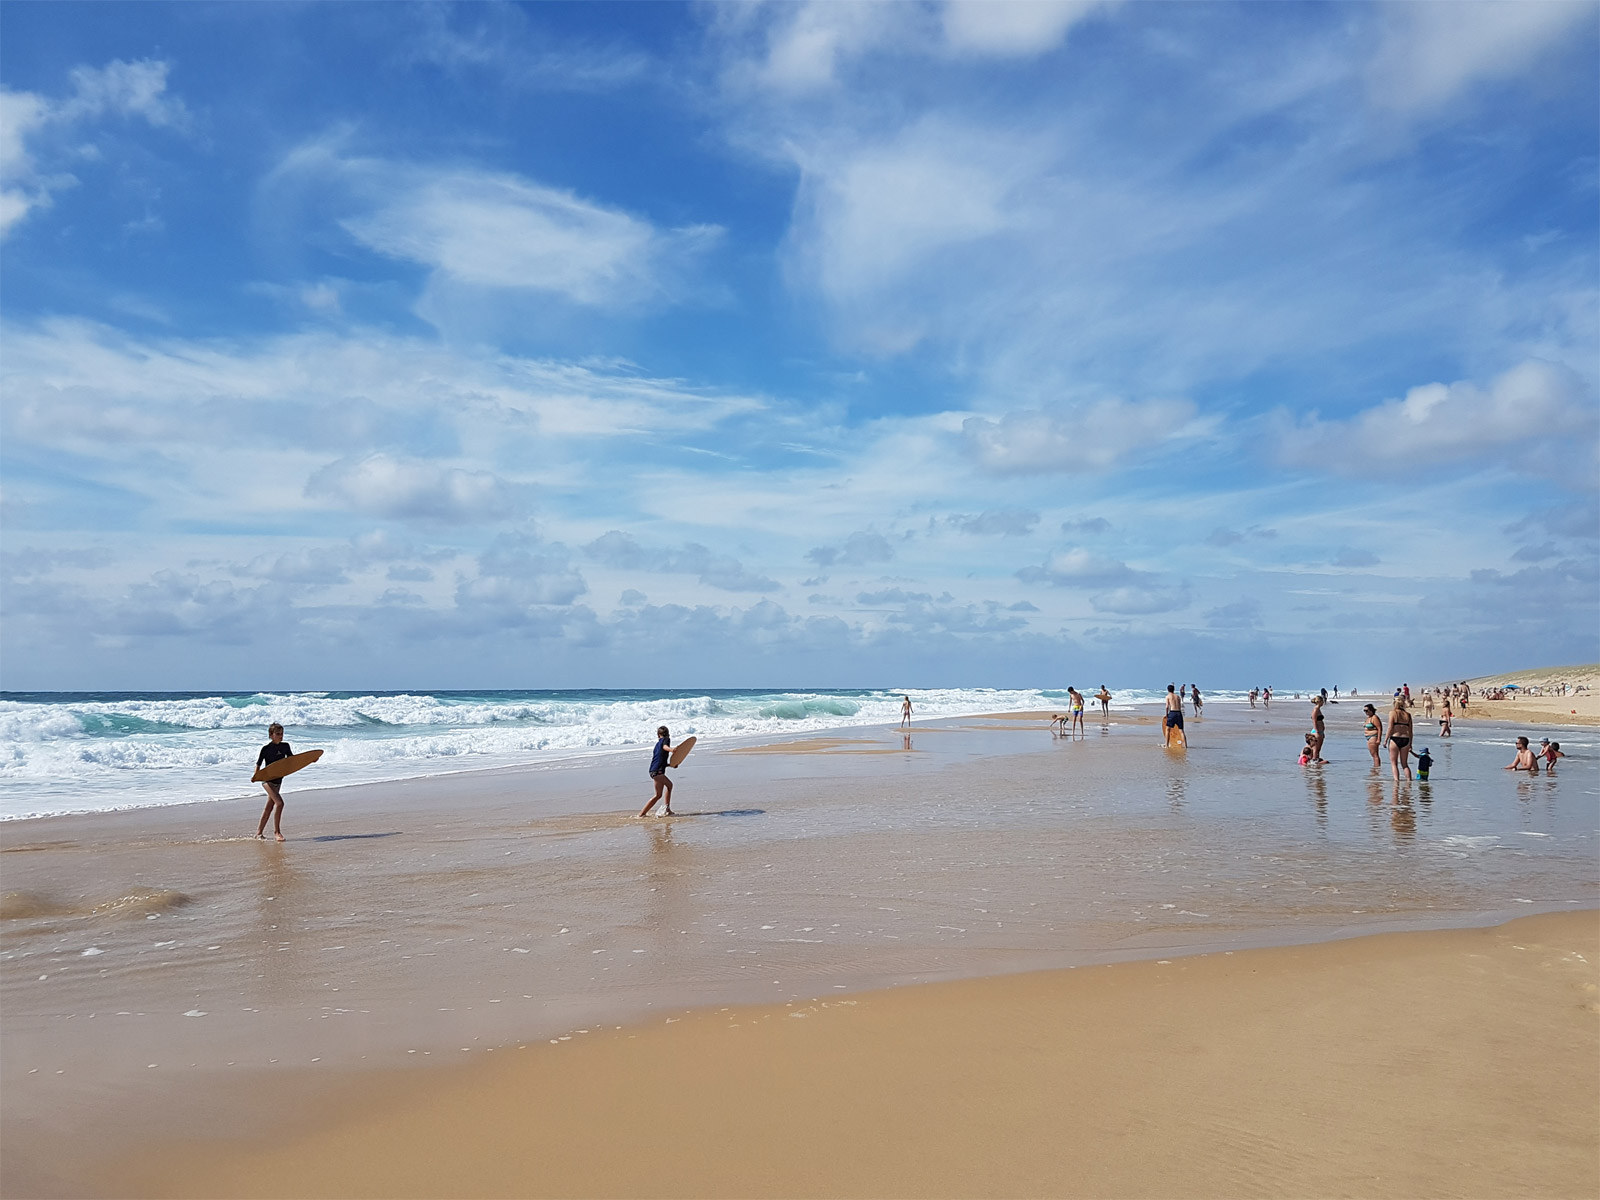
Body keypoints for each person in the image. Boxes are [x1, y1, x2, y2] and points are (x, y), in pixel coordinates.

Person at [255, 723, 294, 842]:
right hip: (267, 781)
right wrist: (255, 777)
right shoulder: (266, 749)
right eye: (278, 734)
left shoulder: (286, 746)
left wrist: (310, 760)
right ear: (271, 735)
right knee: (280, 803)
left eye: (282, 734)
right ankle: (277, 832)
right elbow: (258, 765)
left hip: (278, 780)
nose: (281, 736)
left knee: (269, 807)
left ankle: (258, 833)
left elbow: (293, 761)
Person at [639, 726, 677, 817]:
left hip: (653, 770)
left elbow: (660, 760)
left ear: (658, 735)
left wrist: (670, 765)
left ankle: (642, 814)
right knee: (669, 785)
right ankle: (666, 809)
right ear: (667, 734)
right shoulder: (666, 740)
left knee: (658, 795)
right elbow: (665, 747)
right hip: (658, 771)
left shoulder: (656, 745)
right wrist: (672, 750)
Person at [1387, 697, 1414, 781]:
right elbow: (1410, 731)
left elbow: (1390, 728)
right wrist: (1410, 743)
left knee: (1394, 763)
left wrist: (1385, 740)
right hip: (1405, 739)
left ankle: (1396, 782)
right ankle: (1409, 781)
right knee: (1404, 764)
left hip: (1395, 738)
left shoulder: (1393, 713)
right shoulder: (1408, 715)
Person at [1163, 684, 1186, 748]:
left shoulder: (1168, 696)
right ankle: (1185, 746)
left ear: (1167, 690)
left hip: (1172, 712)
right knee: (1181, 730)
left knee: (1168, 729)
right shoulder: (1178, 696)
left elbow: (1167, 706)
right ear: (1174, 689)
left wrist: (1167, 714)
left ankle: (1166, 745)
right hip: (1179, 713)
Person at [1362, 703, 1383, 768]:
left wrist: (1379, 739)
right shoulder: (1368, 718)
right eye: (1364, 711)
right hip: (1369, 737)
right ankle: (1376, 767)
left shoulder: (1374, 717)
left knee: (1375, 754)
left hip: (1373, 736)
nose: (1366, 712)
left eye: (1367, 710)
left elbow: (1379, 728)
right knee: (1373, 754)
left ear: (1371, 710)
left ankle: (1377, 768)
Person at [1310, 693, 1327, 762]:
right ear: (1319, 701)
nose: (1323, 702)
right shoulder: (1315, 709)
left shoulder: (1318, 709)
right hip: (1317, 731)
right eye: (1322, 701)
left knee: (1319, 748)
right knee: (1316, 748)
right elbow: (1314, 720)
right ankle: (1314, 760)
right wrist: (1317, 732)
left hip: (1320, 731)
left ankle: (1316, 759)